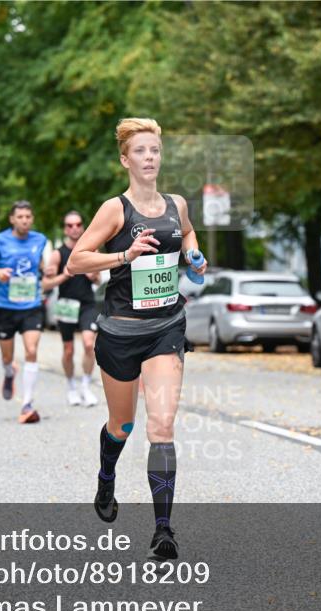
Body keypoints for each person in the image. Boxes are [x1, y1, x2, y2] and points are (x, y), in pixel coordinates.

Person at [67, 118, 207, 561]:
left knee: (161, 426)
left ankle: (163, 529)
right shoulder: (115, 209)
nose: (150, 157)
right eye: (141, 151)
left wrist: (193, 255)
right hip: (120, 331)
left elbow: (187, 232)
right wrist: (124, 255)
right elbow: (76, 261)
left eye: (155, 150)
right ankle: (106, 476)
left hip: (166, 327)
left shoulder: (176, 204)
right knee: (121, 425)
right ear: (125, 160)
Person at [0, 201, 48, 424]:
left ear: (32, 219)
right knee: (7, 357)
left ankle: (27, 403)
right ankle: (9, 372)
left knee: (31, 350)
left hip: (31, 305)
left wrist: (47, 270)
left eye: (28, 216)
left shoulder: (40, 240)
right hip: (3, 306)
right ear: (12, 219)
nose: (24, 220)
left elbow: (41, 265)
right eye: (20, 217)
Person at [43, 210, 101, 406]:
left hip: (86, 304)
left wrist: (92, 275)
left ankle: (85, 386)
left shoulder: (91, 251)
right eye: (70, 225)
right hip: (66, 305)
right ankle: (71, 387)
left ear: (83, 227)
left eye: (78, 224)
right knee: (68, 350)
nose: (74, 228)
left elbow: (98, 280)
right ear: (65, 229)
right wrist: (64, 275)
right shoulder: (57, 254)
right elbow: (45, 285)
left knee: (88, 344)